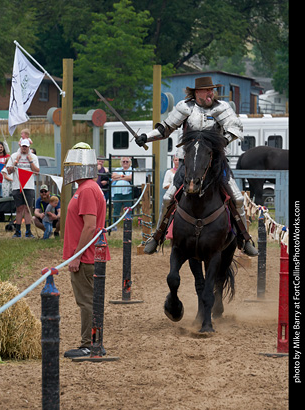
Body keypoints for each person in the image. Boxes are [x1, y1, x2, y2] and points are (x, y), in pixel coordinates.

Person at [135, 76, 258, 257]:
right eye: (207, 90)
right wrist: (146, 137)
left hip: (215, 163)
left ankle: (245, 239)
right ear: (197, 92)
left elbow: (236, 128)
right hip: (188, 163)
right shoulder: (184, 107)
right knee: (168, 197)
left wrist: (223, 140)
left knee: (237, 198)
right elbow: (165, 129)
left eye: (212, 90)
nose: (210, 93)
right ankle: (157, 235)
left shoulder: (222, 108)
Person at [63, 142, 110, 358]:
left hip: (87, 258)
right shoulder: (85, 188)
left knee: (87, 301)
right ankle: (91, 343)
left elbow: (90, 226)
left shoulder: (88, 189)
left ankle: (89, 344)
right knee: (88, 300)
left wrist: (77, 256)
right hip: (85, 256)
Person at [6, 138, 39, 238]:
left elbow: (37, 171)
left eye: (26, 147)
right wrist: (16, 162)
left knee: (28, 209)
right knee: (19, 209)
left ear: (29, 147)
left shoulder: (33, 156)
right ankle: (17, 231)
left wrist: (30, 161)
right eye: (23, 146)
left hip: (29, 186)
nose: (24, 148)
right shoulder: (14, 156)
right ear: (20, 146)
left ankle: (28, 232)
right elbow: (9, 171)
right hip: (17, 185)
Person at [111, 157, 133, 230]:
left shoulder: (132, 170)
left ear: (129, 163)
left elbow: (130, 178)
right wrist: (123, 177)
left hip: (128, 192)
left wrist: (119, 177)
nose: (125, 163)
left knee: (128, 210)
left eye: (127, 161)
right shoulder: (117, 169)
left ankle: (128, 225)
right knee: (116, 210)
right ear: (121, 162)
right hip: (117, 192)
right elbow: (113, 176)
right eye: (123, 161)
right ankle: (114, 225)